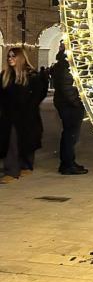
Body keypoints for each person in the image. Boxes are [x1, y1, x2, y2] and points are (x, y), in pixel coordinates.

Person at [0, 46, 48, 183]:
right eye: (8, 56)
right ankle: (11, 170)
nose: (10, 59)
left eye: (13, 56)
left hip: (27, 115)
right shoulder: (6, 76)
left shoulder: (31, 76)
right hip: (9, 116)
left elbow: (39, 93)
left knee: (26, 141)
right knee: (11, 142)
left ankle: (24, 166)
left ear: (20, 58)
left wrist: (30, 107)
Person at [50, 40, 88, 175]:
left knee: (69, 134)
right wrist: (77, 102)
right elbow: (67, 87)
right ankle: (67, 165)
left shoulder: (63, 62)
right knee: (70, 135)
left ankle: (69, 162)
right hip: (69, 106)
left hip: (65, 104)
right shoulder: (67, 64)